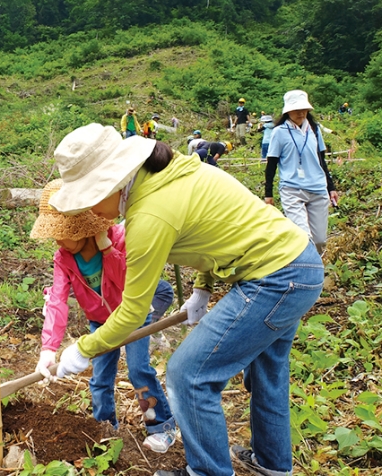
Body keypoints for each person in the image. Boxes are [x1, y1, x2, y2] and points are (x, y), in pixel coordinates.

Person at [47, 124, 324, 476]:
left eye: (88, 200)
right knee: (267, 372)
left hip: (275, 278)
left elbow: (132, 311)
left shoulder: (149, 215)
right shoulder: (175, 172)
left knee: (188, 374)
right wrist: (203, 288)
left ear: (110, 182)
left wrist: (84, 348)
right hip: (296, 263)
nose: (92, 213)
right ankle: (271, 466)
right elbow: (217, 233)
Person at [32, 179, 178, 453]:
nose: (58, 239)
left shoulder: (121, 240)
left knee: (139, 371)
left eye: (64, 232)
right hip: (99, 321)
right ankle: (103, 425)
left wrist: (108, 250)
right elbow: (57, 301)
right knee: (100, 378)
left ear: (84, 228)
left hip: (132, 316)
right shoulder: (63, 258)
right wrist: (48, 348)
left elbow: (128, 281)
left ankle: (161, 426)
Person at [264, 90, 339, 256]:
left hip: (318, 188)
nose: (301, 113)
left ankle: (315, 270)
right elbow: (271, 165)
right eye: (296, 109)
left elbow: (321, 160)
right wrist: (268, 193)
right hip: (292, 189)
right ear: (287, 111)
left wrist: (331, 187)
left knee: (320, 241)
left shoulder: (314, 129)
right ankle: (303, 275)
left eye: (304, 109)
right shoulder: (279, 132)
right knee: (303, 237)